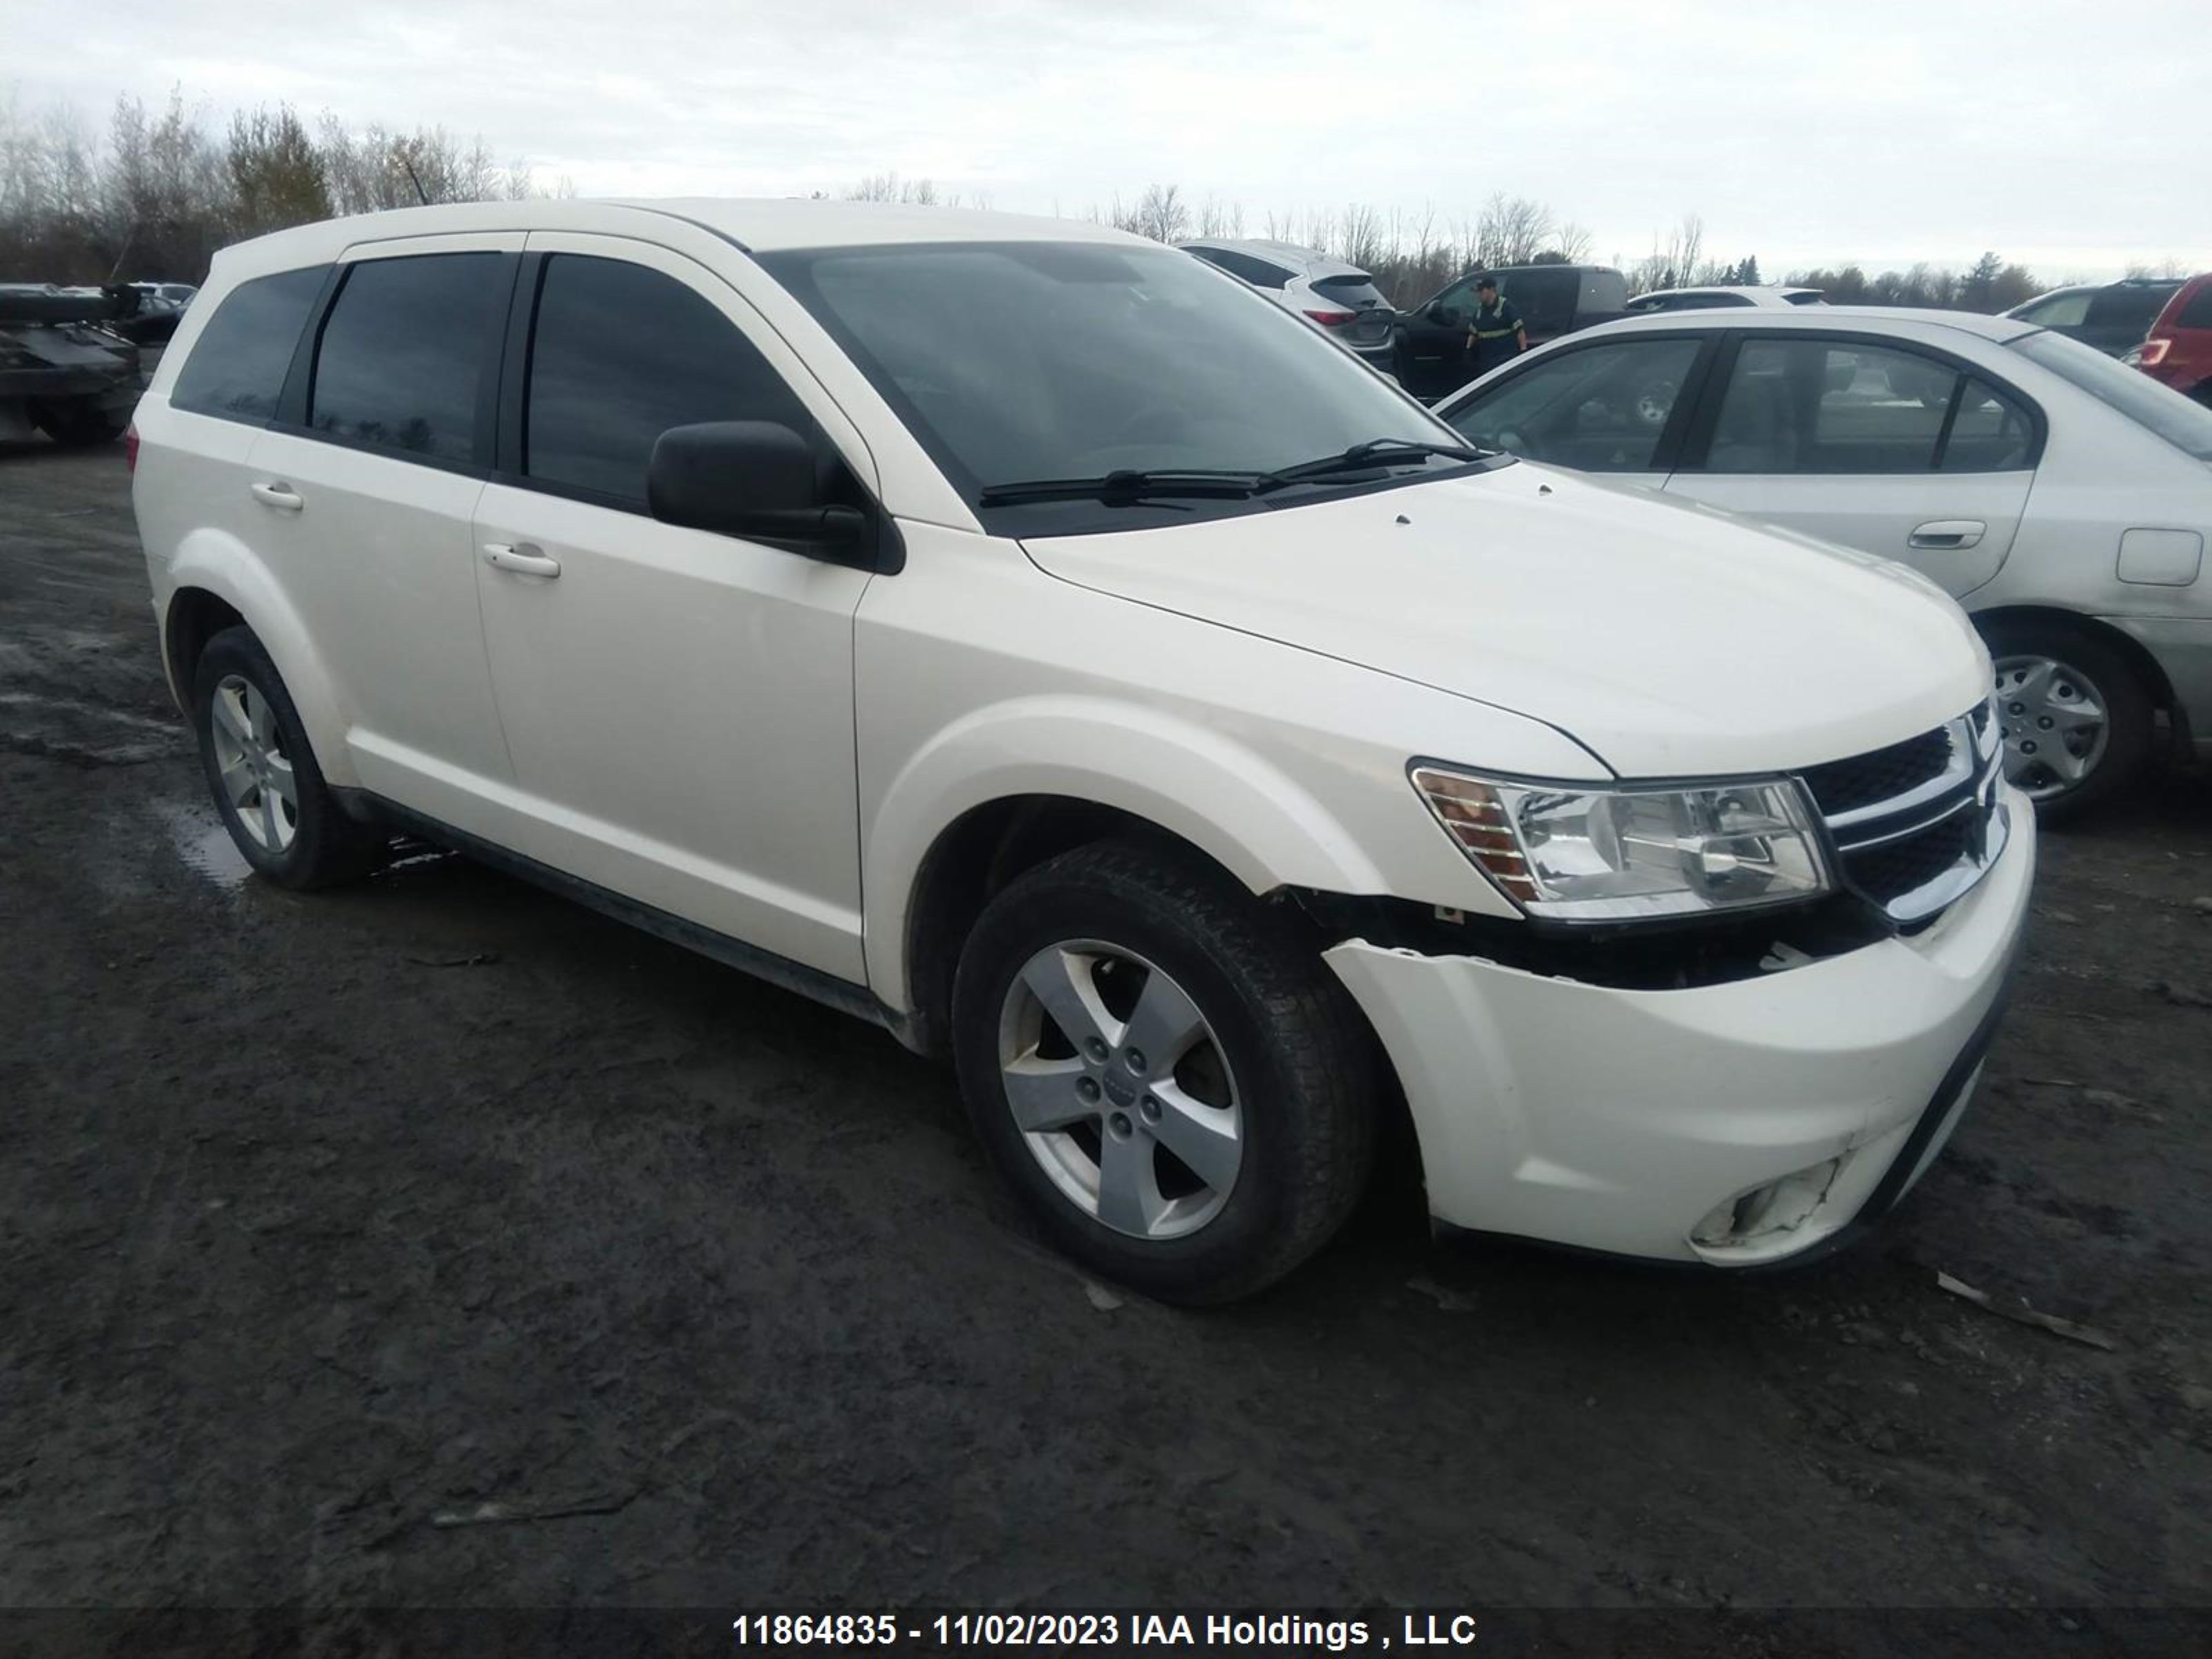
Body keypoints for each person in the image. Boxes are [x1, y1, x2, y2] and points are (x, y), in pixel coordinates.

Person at [1465, 275, 1528, 379]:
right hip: (1486, 361)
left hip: (1504, 360)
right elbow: (1473, 333)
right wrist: (1468, 350)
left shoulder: (1506, 307)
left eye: (1481, 291)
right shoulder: (1480, 309)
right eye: (1478, 291)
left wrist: (1523, 353)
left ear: (1492, 290)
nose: (1478, 294)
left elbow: (1520, 332)